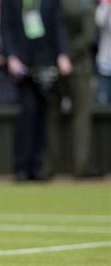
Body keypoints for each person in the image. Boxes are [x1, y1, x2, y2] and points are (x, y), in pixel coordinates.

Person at [0, 0, 73, 181]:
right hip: (22, 64)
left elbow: (58, 25)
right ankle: (21, 168)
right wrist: (11, 57)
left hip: (46, 62)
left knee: (43, 115)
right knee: (28, 113)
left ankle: (37, 167)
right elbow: (6, 27)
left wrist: (62, 54)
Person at [45, 0, 98, 178]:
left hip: (53, 65)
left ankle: (49, 167)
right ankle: (80, 167)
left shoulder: (52, 4)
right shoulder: (84, 5)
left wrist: (59, 55)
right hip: (80, 67)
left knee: (52, 117)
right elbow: (88, 37)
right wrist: (66, 56)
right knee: (81, 118)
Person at [95, 0, 111, 105]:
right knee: (103, 102)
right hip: (105, 60)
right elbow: (98, 21)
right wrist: (105, 5)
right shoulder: (104, 7)